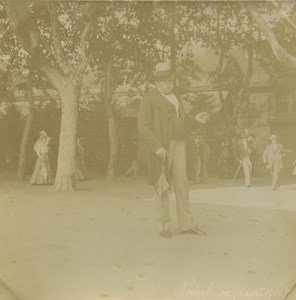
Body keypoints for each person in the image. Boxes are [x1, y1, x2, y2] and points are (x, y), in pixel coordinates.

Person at [138, 60, 209, 238]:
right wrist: (157, 147)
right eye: (162, 81)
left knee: (182, 184)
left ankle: (187, 224)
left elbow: (181, 122)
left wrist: (196, 119)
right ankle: (163, 226)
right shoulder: (149, 99)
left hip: (180, 144)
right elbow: (143, 127)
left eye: (169, 80)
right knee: (162, 185)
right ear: (155, 82)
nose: (166, 84)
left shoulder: (176, 96)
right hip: (162, 147)